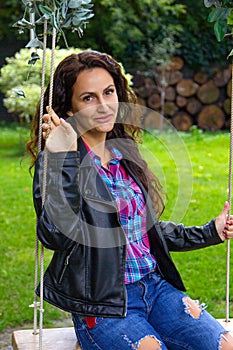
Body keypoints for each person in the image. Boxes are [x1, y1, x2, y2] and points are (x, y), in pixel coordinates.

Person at [27, 50, 233, 350]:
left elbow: (142, 230)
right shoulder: (58, 161)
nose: (103, 106)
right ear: (68, 110)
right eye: (88, 98)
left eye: (108, 92)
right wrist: (64, 157)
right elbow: (55, 235)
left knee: (224, 345)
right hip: (102, 302)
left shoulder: (124, 156)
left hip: (155, 288)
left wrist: (209, 231)